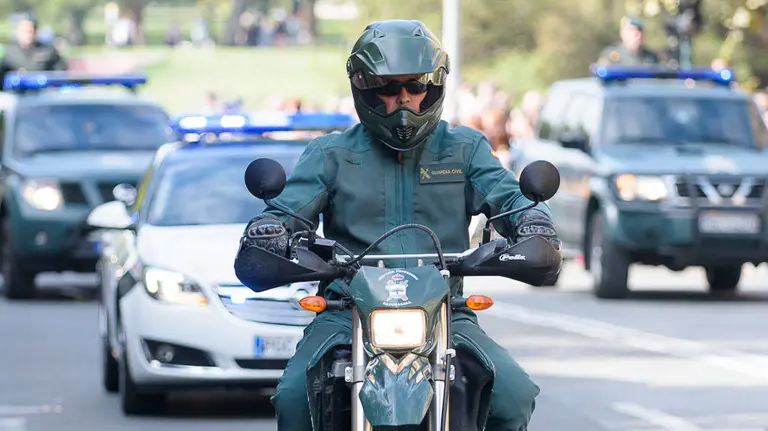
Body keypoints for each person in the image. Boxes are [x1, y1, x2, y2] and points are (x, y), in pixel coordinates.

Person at [234, 20, 562, 431]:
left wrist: (532, 221)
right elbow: (286, 211)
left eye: (415, 86)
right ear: (364, 89)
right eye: (388, 89)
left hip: (445, 312)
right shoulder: (330, 154)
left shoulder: (464, 148)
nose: (403, 100)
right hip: (346, 313)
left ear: (435, 85)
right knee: (295, 398)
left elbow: (510, 198)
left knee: (512, 396)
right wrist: (271, 229)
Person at [0, 17, 68, 88]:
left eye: (30, 31)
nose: (28, 34)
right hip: (17, 95)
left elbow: (61, 71)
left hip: (44, 93)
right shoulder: (10, 52)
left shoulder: (47, 50)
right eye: (25, 31)